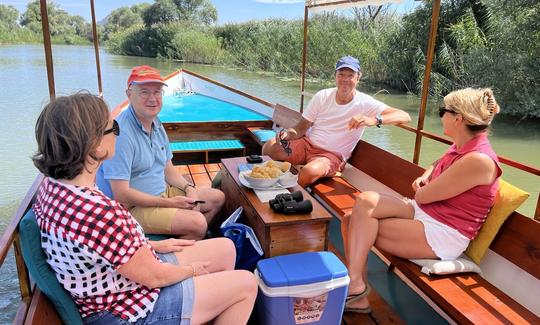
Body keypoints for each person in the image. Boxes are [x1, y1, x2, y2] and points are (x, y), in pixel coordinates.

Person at [32, 92, 257, 324]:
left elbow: (99, 249)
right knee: (246, 285)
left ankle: (206, 311)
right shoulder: (100, 214)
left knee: (226, 248)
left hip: (121, 278)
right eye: (114, 130)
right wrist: (191, 270)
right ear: (95, 146)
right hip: (128, 309)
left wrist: (151, 245)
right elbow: (155, 277)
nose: (117, 136)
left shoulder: (54, 188)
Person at [341, 88, 502, 313]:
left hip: (443, 231)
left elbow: (423, 195)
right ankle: (356, 285)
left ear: (458, 118)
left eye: (443, 111)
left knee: (352, 223)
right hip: (427, 211)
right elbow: (438, 163)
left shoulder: (479, 160)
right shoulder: (464, 145)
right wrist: (426, 176)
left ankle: (356, 290)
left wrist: (425, 188)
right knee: (366, 201)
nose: (440, 115)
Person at [102, 65, 225, 240]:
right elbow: (121, 194)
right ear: (129, 95)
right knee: (198, 223)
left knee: (217, 198)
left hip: (161, 193)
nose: (152, 99)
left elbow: (168, 169)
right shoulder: (121, 134)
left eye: (157, 92)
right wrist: (169, 203)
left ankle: (189, 239)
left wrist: (189, 188)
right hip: (131, 209)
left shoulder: (156, 124)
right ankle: (174, 254)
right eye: (144, 92)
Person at [262, 56, 411, 187]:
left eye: (350, 75)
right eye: (341, 74)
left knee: (309, 171)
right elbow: (301, 128)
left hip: (331, 156)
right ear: (335, 76)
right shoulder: (322, 96)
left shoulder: (365, 103)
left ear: (358, 78)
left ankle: (284, 197)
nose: (345, 79)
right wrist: (288, 134)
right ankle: (264, 183)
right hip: (307, 145)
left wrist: (374, 119)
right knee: (269, 147)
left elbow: (404, 116)